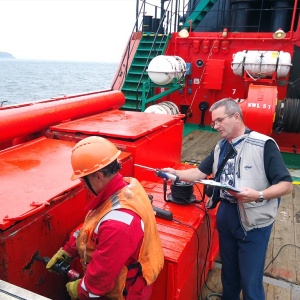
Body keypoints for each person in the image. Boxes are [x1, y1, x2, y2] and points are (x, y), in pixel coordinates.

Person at [163, 98, 293, 300]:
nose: (215, 126)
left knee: (251, 280)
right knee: (229, 273)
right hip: (226, 215)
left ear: (236, 117)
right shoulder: (220, 147)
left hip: (253, 222)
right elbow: (199, 173)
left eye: (219, 121)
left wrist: (258, 195)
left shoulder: (263, 144)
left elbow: (285, 185)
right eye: (214, 122)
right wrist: (174, 173)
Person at [46, 136, 164, 300]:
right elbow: (93, 227)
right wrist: (68, 250)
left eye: (83, 179)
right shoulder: (128, 187)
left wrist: (80, 290)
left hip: (126, 292)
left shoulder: (118, 225)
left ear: (99, 176)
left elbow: (99, 283)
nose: (83, 185)